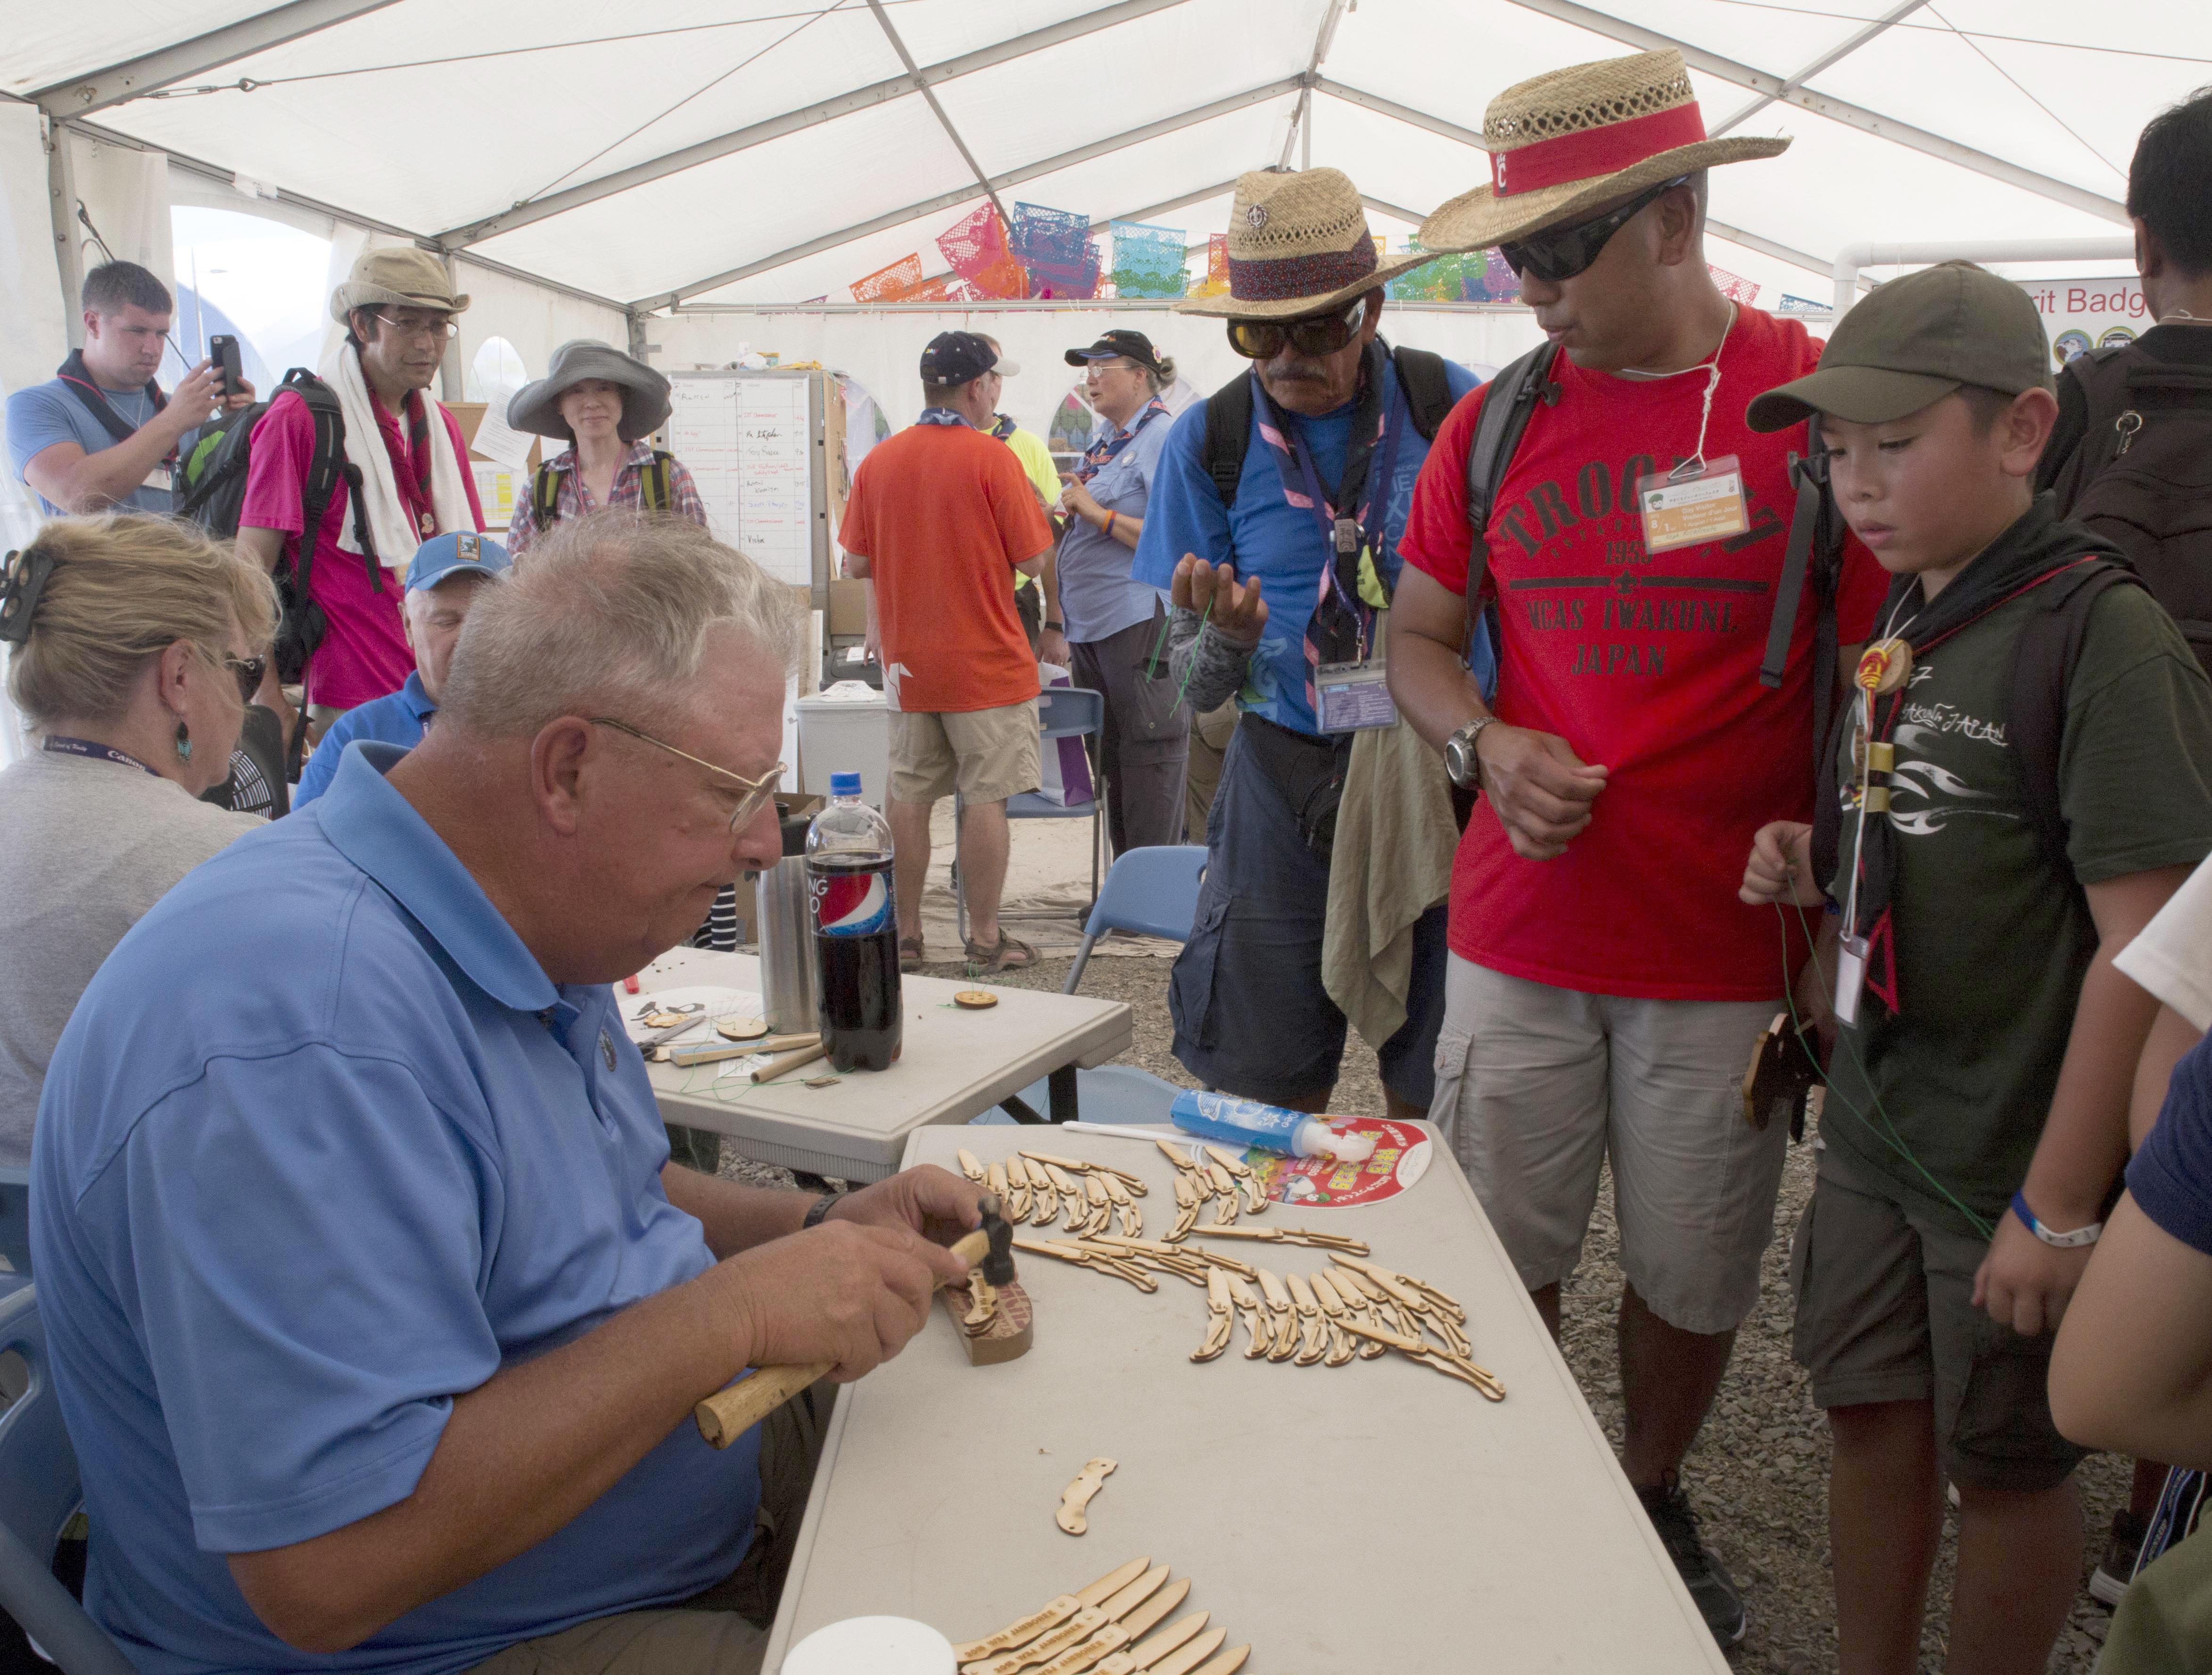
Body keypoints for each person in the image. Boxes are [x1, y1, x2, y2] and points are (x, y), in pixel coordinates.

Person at [30, 510, 987, 1675]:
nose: (759, 847)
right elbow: (329, 1569)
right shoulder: (297, 1025)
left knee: (1019, 1459)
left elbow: (608, 1191)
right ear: (568, 769)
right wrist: (735, 1314)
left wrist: (812, 1228)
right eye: (734, 793)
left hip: (653, 1512)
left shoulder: (511, 903)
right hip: (441, 1645)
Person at [1382, 50, 1888, 1645]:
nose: (1528, 288)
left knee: (1694, 1265)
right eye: (1511, 256)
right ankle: (1514, 1489)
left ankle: (1649, 1493)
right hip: (1518, 934)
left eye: (1558, 250)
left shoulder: (1817, 410)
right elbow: (1415, 639)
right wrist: (1480, 740)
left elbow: (1889, 680)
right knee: (1497, 1238)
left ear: (1675, 223)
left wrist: (1829, 850)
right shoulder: (1494, 423)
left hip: (1720, 956)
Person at [1736, 261, 2212, 1675]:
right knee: (1868, 1409)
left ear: (2019, 430)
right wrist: (1814, 853)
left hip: (2010, 1150)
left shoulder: (2098, 633)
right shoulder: (1912, 610)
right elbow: (1935, 817)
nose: (1855, 482)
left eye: (1894, 444)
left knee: (2007, 1466)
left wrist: (2063, 1203)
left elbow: (2154, 941)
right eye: (1833, 450)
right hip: (1884, 1124)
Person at [1133, 167, 1478, 1123]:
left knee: (1445, 1082)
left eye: (1320, 327)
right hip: (1283, 774)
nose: (1287, 357)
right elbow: (1184, 695)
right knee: (1263, 1083)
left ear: (1372, 308)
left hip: (1435, 774)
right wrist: (1228, 646)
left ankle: (1426, 1259)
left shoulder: (1452, 409)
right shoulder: (1211, 440)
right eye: (1260, 334)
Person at [0, 516, 274, 1171]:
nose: (245, 700)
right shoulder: (224, 859)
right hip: (144, 1241)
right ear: (179, 676)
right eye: (244, 668)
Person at [837, 331, 1058, 973]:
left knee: (910, 797)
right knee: (986, 797)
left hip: (909, 665)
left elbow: (854, 561)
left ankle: (906, 937)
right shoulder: (994, 460)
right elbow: (1032, 557)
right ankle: (985, 938)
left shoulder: (880, 461)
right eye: (996, 382)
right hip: (986, 660)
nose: (998, 393)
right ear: (976, 387)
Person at [236, 247, 485, 746]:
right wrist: (266, 701)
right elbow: (245, 572)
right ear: (363, 325)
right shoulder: (298, 419)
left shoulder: (441, 428)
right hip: (345, 707)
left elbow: (471, 560)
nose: (428, 343)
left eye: (439, 327)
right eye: (409, 323)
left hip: (444, 697)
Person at [1055, 329, 1188, 852]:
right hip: (1095, 626)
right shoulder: (1109, 441)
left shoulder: (1162, 436)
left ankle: (1151, 893)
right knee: (1110, 759)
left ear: (1140, 375)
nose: (1090, 378)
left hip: (1137, 622)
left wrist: (1099, 515)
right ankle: (1126, 886)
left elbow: (1174, 535)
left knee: (1150, 757)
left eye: (1101, 366)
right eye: (1085, 367)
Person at [7, 260, 255, 516]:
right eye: (136, 331)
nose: (152, 348)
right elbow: (76, 496)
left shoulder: (184, 410)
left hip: (187, 556)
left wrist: (240, 431)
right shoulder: (35, 406)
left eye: (161, 334)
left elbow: (234, 502)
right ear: (93, 324)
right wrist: (173, 422)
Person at [293, 531, 511, 808]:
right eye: (446, 622)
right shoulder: (357, 737)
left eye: (487, 619)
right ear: (407, 624)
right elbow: (303, 843)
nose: (469, 637)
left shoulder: (550, 725)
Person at [503, 339, 707, 558]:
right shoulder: (541, 487)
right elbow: (517, 573)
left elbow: (702, 564)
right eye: (576, 391)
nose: (592, 402)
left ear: (622, 398)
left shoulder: (668, 476)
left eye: (604, 388)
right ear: (558, 405)